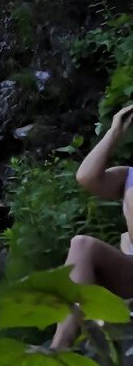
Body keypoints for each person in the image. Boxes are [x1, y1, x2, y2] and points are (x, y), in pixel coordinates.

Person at [50, 102, 133, 349]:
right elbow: (86, 177)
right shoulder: (128, 176)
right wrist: (114, 132)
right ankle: (60, 347)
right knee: (81, 245)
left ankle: (60, 348)